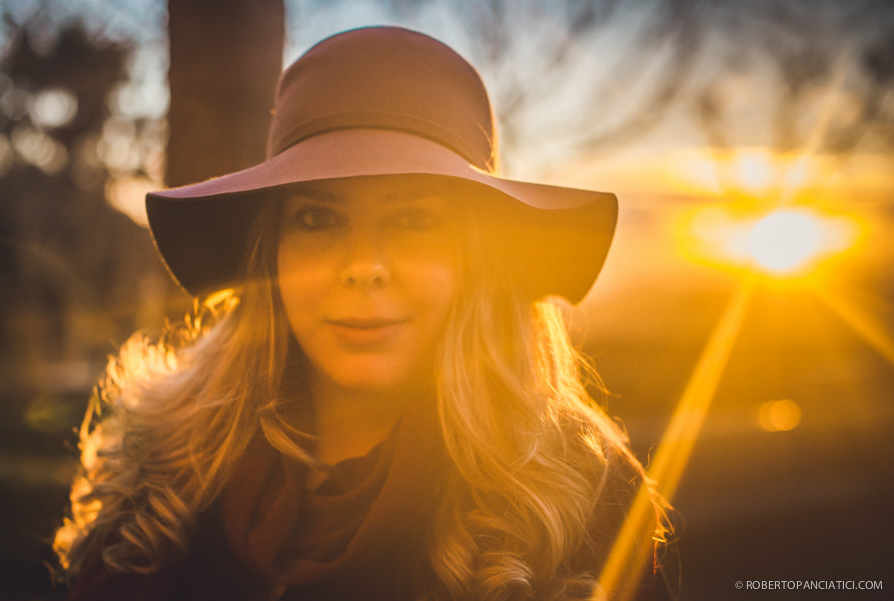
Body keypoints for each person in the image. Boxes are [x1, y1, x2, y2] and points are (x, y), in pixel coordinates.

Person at [54, 25, 672, 601]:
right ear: (269, 251)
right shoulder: (159, 466)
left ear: (476, 258)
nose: (363, 265)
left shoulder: (578, 494)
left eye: (413, 220)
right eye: (318, 218)